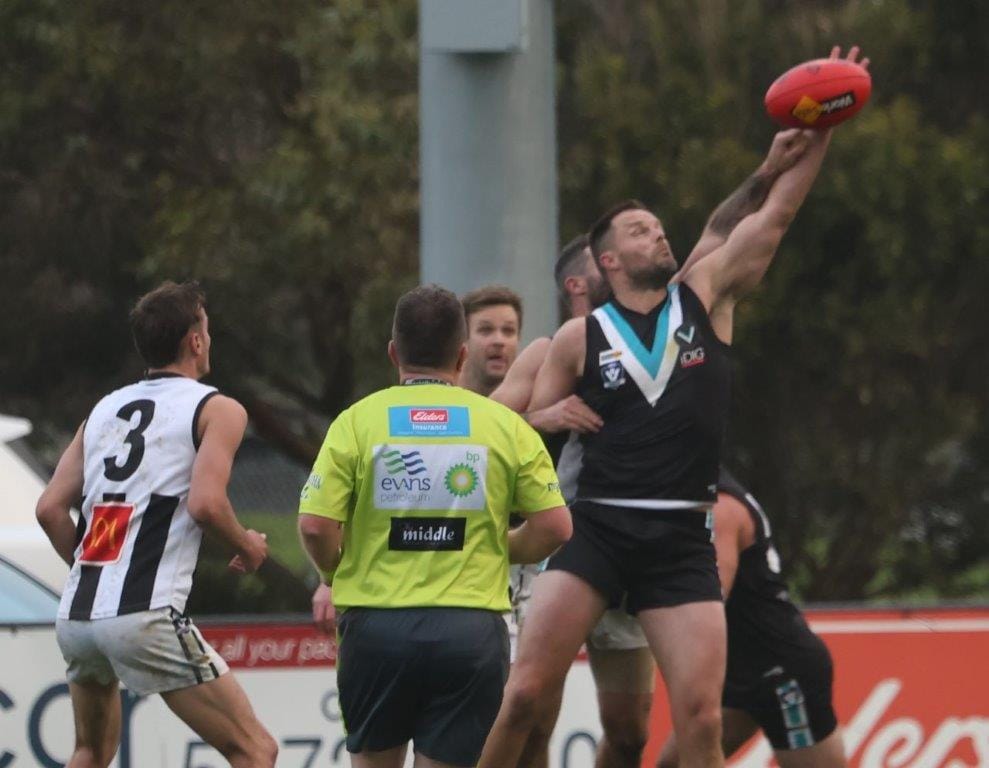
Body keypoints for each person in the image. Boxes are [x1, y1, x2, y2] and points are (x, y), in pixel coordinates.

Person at [478, 46, 867, 768]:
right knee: (525, 695)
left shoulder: (703, 299)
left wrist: (822, 123)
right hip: (597, 528)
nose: (657, 232)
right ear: (608, 262)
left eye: (658, 226)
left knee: (698, 721)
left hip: (680, 537)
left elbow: (772, 217)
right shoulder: (578, 338)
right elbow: (507, 433)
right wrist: (544, 419)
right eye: (639, 230)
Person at [297, 284, 572, 768]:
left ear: (393, 353)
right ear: (462, 355)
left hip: (376, 629)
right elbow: (555, 527)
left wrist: (332, 572)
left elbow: (316, 527)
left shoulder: (356, 422)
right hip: (470, 631)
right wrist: (499, 546)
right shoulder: (506, 426)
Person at [35, 280, 277, 768]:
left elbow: (49, 509)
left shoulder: (103, 410)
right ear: (196, 340)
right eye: (207, 328)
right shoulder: (217, 408)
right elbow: (206, 504)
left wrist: (95, 573)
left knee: (89, 752)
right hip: (144, 614)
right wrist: (247, 545)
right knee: (255, 750)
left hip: (78, 615)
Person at [657, 467, 846, 768]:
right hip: (740, 669)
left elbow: (711, 597)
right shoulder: (695, 494)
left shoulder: (720, 506)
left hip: (780, 669)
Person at [459, 285, 524, 397]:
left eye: (508, 330)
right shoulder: (440, 400)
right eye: (486, 330)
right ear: (463, 338)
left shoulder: (536, 400)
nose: (499, 341)